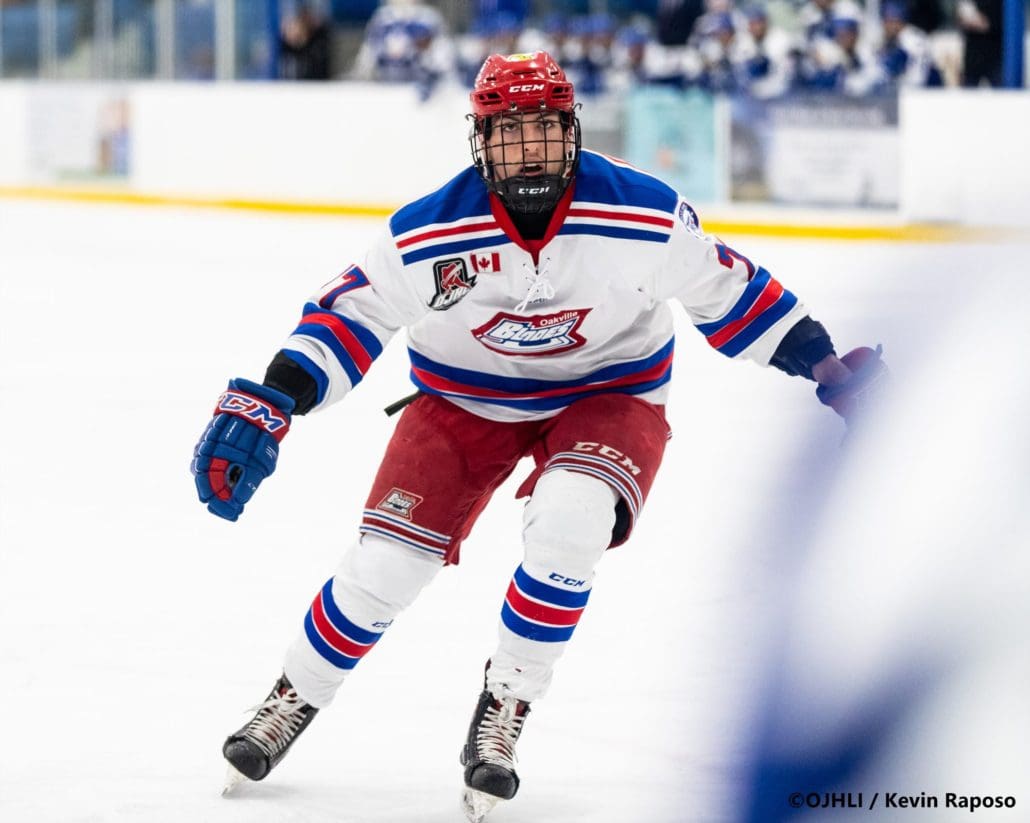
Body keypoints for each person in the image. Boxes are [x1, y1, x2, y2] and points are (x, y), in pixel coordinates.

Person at [190, 50, 886, 822]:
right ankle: (291, 698)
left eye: (545, 130)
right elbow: (347, 318)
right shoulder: (424, 233)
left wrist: (827, 365)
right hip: (461, 400)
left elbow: (733, 291)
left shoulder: (645, 215)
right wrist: (274, 399)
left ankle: (506, 707)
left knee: (571, 523)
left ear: (574, 131)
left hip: (609, 393)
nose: (529, 150)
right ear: (479, 140)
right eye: (510, 131)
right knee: (384, 566)